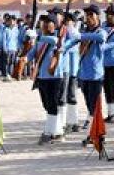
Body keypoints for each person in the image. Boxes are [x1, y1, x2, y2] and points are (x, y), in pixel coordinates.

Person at [29, 13, 67, 144]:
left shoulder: (57, 37)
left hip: (55, 76)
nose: (44, 25)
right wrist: (23, 58)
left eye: (47, 22)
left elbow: (56, 42)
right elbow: (32, 53)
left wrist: (38, 36)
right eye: (43, 22)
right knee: (46, 104)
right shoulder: (40, 40)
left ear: (54, 25)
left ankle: (49, 133)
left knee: (52, 104)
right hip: (42, 77)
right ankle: (57, 131)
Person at [77, 5, 107, 146]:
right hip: (84, 74)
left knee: (96, 107)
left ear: (98, 17)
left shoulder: (101, 31)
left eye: (91, 15)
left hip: (96, 74)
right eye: (87, 15)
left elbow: (101, 38)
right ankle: (92, 133)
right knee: (90, 107)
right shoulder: (83, 32)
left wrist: (81, 36)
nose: (88, 18)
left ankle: (98, 135)